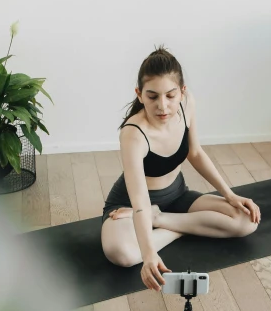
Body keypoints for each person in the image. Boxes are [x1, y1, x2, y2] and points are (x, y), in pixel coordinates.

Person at [101, 45, 261, 291]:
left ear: (182, 91)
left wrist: (230, 194)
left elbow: (195, 153)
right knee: (122, 253)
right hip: (131, 205)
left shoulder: (188, 104)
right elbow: (140, 200)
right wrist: (149, 255)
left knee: (246, 220)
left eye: (170, 95)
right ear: (139, 94)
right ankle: (186, 227)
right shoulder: (133, 133)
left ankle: (163, 220)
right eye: (152, 96)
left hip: (177, 197)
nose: (163, 106)